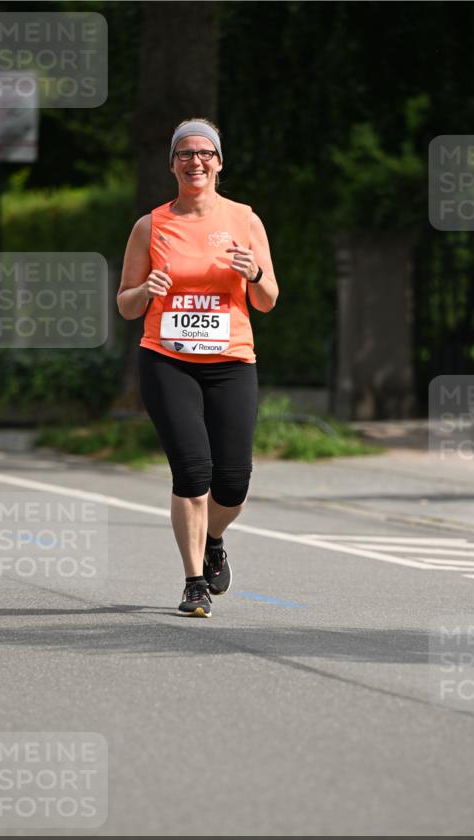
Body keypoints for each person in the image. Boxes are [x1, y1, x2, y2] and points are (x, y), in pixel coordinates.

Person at [117, 119, 279, 617]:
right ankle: (193, 583)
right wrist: (146, 292)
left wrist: (252, 273)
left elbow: (269, 299)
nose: (195, 161)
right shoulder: (151, 225)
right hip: (167, 360)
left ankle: (213, 538)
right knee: (192, 471)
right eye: (184, 154)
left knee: (233, 482)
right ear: (172, 164)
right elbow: (124, 304)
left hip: (231, 360)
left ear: (219, 162)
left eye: (204, 153)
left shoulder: (245, 220)